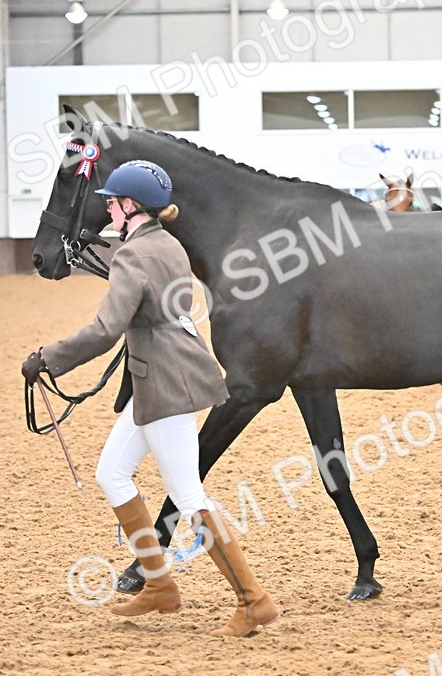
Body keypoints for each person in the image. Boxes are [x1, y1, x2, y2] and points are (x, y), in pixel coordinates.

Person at [21, 160, 278, 637]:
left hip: (167, 383)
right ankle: (159, 585)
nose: (109, 212)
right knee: (112, 474)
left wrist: (47, 358)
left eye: (112, 204)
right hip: (156, 377)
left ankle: (253, 600)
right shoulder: (165, 244)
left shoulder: (134, 255)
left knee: (188, 494)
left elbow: (105, 329)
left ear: (128, 206)